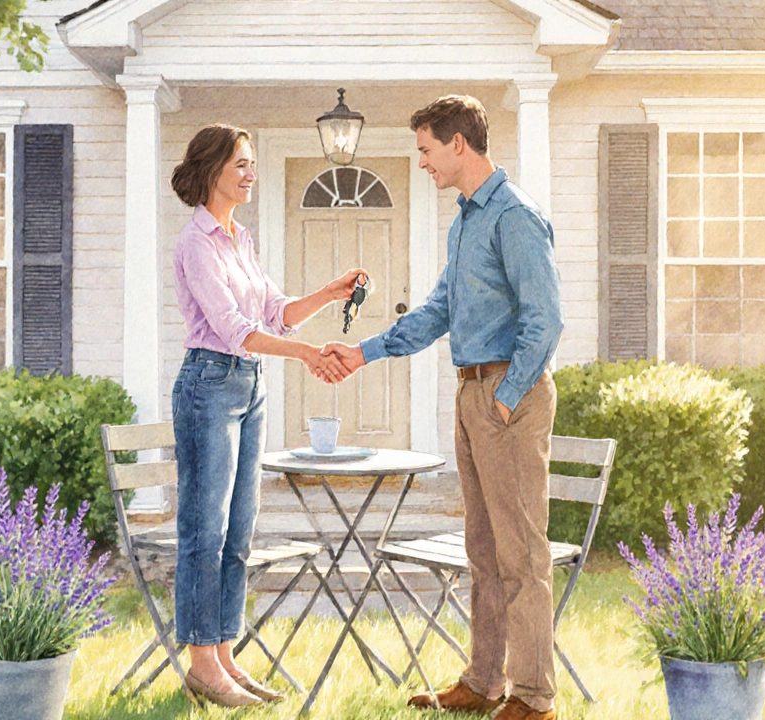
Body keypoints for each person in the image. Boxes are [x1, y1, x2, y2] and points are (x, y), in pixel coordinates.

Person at [324, 96, 563, 720]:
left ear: (460, 144)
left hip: (507, 394)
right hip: (471, 393)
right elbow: (439, 311)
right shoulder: (465, 222)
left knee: (522, 555)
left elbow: (546, 320)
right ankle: (484, 683)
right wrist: (365, 352)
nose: (422, 162)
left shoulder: (514, 216)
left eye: (427, 150)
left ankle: (535, 700)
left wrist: (506, 400)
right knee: (483, 550)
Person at [170, 123, 367, 707]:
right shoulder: (196, 243)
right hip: (209, 383)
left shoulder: (239, 240)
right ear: (212, 172)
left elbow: (275, 312)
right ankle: (202, 662)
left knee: (238, 530)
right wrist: (307, 354)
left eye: (253, 163)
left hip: (249, 386)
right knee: (203, 531)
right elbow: (234, 330)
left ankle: (224, 656)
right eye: (241, 165)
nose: (250, 174)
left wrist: (329, 294)